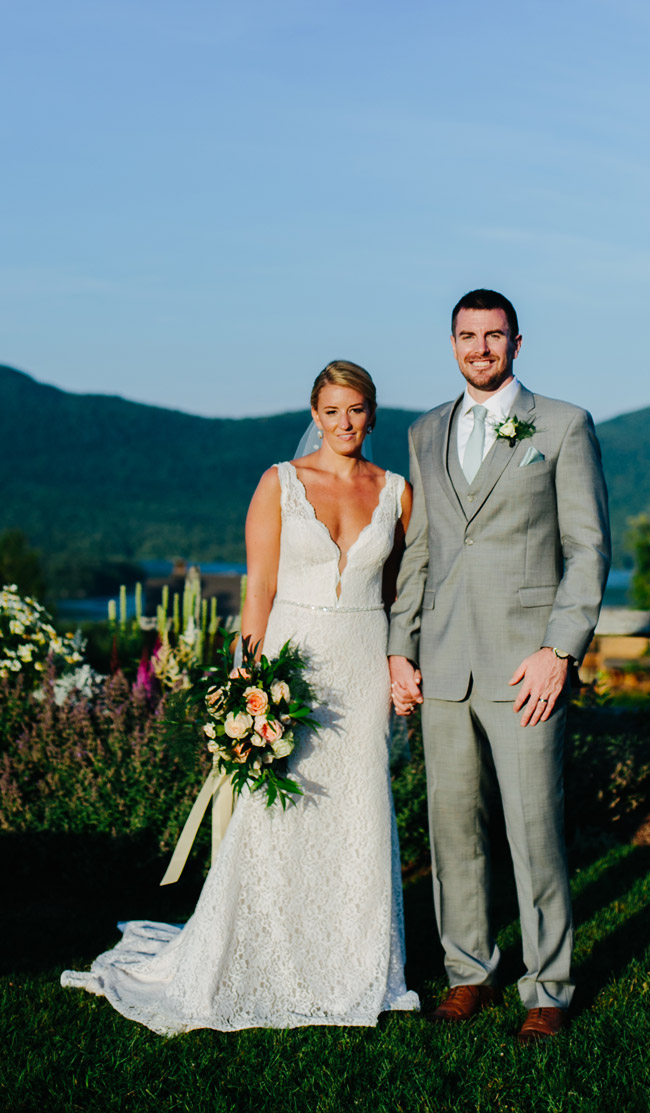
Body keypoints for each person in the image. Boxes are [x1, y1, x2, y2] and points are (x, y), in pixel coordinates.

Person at [62, 360, 419, 1033]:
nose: (345, 422)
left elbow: (400, 593)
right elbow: (256, 591)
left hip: (362, 665)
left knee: (357, 808)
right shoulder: (278, 484)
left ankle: (352, 965)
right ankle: (263, 952)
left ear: (373, 414)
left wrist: (403, 665)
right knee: (277, 812)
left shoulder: (396, 491)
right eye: (332, 410)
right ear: (314, 415)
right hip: (292, 663)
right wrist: (246, 684)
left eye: (357, 409)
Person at [388, 290, 610, 1043]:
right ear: (450, 343)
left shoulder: (563, 424)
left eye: (492, 335)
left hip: (526, 668)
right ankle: (467, 971)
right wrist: (398, 647)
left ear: (516, 341)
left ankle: (547, 984)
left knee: (532, 826)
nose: (478, 348)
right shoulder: (423, 431)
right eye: (465, 336)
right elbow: (418, 553)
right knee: (452, 829)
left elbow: (586, 548)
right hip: (442, 661)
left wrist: (560, 650)